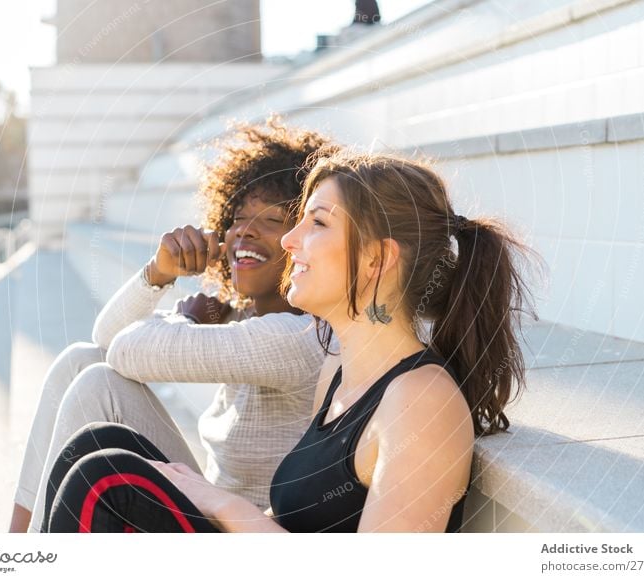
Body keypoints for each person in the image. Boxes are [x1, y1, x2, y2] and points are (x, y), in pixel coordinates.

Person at [42, 150, 540, 533]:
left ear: (376, 260)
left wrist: (224, 505)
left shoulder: (420, 402)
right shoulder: (338, 370)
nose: (288, 241)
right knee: (101, 447)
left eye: (317, 222)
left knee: (108, 482)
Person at [9, 119, 338, 532]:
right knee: (80, 361)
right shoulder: (241, 317)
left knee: (96, 384)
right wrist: (158, 272)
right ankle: (16, 547)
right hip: (210, 510)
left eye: (272, 220)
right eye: (238, 216)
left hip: (243, 537)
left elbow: (126, 351)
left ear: (302, 240)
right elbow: (105, 339)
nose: (245, 231)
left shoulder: (300, 336)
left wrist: (185, 319)